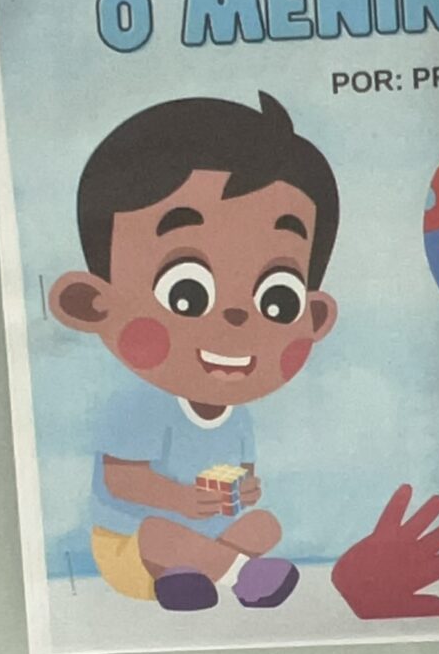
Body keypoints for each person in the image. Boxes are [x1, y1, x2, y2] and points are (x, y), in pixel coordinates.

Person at [49, 91, 338, 612]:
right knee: (161, 533)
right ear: (92, 303)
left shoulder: (238, 414)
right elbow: (122, 479)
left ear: (314, 319)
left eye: (278, 299)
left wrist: (246, 491)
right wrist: (183, 500)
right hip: (134, 546)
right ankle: (239, 576)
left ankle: (199, 576)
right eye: (187, 294)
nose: (236, 319)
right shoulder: (138, 406)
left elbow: (240, 475)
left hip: (206, 535)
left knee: (265, 523)